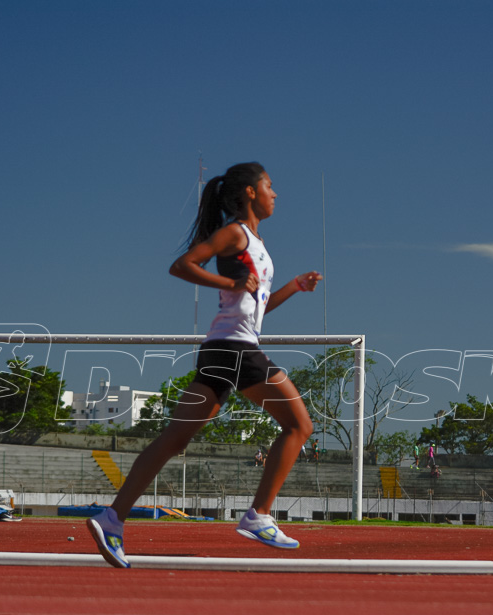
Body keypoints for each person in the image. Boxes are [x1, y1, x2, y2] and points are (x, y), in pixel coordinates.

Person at [88, 162, 322, 568]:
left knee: (175, 440)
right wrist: (230, 283)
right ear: (249, 192)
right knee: (300, 426)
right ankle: (259, 515)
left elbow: (257, 308)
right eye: (269, 186)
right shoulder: (235, 233)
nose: (276, 193)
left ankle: (111, 518)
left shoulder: (256, 242)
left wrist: (295, 287)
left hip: (221, 349)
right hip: (236, 351)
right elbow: (182, 266)